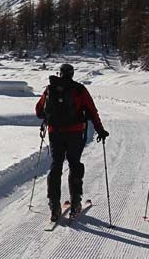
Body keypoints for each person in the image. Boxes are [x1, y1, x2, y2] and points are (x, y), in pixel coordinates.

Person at [34, 63, 108, 221]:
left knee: (56, 165)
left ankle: (54, 205)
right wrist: (100, 130)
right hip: (75, 133)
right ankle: (75, 202)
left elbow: (39, 111)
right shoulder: (79, 89)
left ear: (60, 74)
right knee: (74, 164)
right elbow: (92, 111)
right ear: (72, 74)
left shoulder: (50, 89)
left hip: (55, 133)